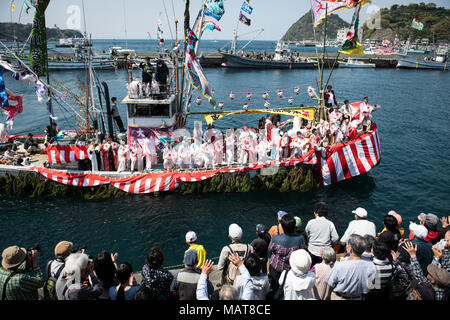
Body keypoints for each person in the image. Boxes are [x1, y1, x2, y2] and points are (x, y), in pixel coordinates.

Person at [326, 234, 376, 300]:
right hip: (359, 297)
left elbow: (330, 282)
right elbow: (373, 286)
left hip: (340, 297)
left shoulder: (340, 265)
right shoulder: (371, 266)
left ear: (350, 249)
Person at [268, 214, 306, 297]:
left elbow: (270, 249)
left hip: (277, 267)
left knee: (275, 286)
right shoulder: (300, 238)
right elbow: (302, 251)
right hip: (291, 269)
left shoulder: (275, 238)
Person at [305, 202, 339, 266]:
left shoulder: (310, 222)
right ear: (326, 214)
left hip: (312, 251)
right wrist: (331, 242)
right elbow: (335, 238)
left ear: (316, 213)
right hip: (324, 253)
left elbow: (307, 234)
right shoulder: (330, 224)